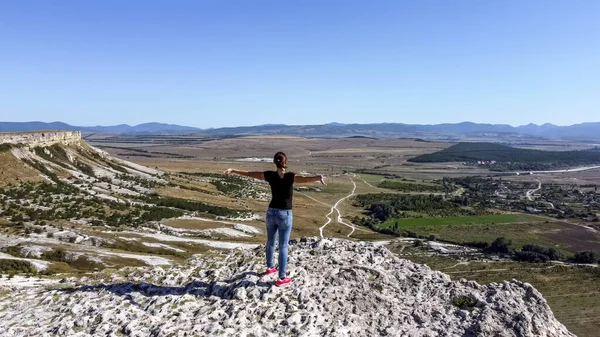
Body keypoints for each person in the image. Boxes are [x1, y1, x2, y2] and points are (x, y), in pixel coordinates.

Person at [224, 152, 325, 286]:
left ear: (274, 162)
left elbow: (250, 173)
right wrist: (318, 177)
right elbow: (305, 179)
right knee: (283, 246)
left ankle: (269, 267)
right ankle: (281, 278)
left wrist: (234, 170)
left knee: (270, 242)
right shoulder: (290, 177)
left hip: (271, 213)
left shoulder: (270, 175)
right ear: (285, 162)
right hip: (285, 214)